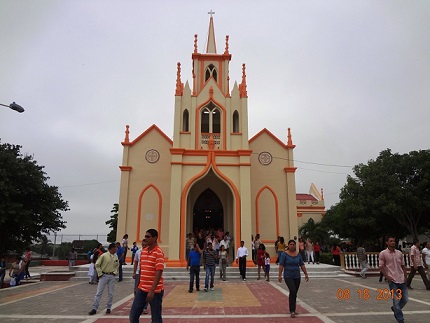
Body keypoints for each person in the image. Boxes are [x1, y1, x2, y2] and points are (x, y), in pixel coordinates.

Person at [129, 229, 164, 323]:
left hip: (155, 291)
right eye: (145, 236)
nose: (145, 238)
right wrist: (137, 285)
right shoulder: (143, 252)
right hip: (142, 289)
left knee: (156, 319)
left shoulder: (158, 252)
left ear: (155, 238)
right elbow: (141, 269)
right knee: (133, 315)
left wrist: (152, 290)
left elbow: (159, 271)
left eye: (148, 237)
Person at [379, 236, 409, 323]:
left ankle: (395, 309)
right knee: (395, 300)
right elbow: (381, 266)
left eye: (394, 241)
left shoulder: (399, 253)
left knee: (405, 299)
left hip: (401, 278)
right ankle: (400, 319)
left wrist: (405, 274)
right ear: (387, 243)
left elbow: (402, 265)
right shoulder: (383, 253)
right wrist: (387, 276)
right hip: (392, 280)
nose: (393, 242)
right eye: (391, 241)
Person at [278, 239, 309, 318]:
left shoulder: (298, 254)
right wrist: (279, 275)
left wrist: (306, 274)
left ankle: (293, 309)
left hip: (297, 276)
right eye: (290, 244)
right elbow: (281, 265)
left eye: (293, 244)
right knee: (292, 290)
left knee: (294, 293)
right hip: (288, 275)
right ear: (288, 245)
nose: (292, 246)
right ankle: (292, 310)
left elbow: (301, 264)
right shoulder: (284, 254)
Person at [88, 242, 119, 315]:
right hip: (104, 275)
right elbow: (97, 264)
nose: (116, 249)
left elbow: (117, 265)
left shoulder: (115, 256)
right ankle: (94, 308)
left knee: (111, 293)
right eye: (115, 248)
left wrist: (115, 272)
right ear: (112, 248)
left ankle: (109, 307)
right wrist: (100, 273)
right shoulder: (104, 256)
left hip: (111, 275)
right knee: (99, 292)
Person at [132, 239, 149, 314]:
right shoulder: (138, 252)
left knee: (145, 290)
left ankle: (145, 306)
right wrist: (134, 272)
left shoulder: (150, 252)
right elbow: (136, 262)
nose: (144, 246)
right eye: (143, 245)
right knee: (136, 289)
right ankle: (137, 305)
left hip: (146, 273)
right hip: (139, 272)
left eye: (146, 245)